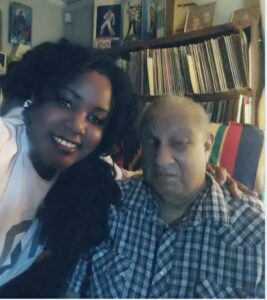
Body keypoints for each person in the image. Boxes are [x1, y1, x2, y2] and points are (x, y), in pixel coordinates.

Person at [68, 96, 264, 298]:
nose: (161, 159)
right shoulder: (109, 205)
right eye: (152, 142)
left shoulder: (254, 232)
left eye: (179, 143)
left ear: (206, 146)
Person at [0, 38, 135, 294]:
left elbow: (139, 177)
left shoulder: (87, 168)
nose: (78, 126)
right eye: (65, 102)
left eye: (96, 118)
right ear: (34, 97)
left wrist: (206, 177)